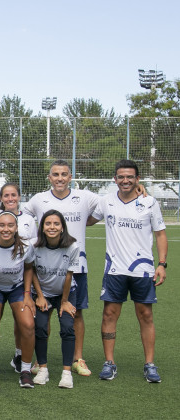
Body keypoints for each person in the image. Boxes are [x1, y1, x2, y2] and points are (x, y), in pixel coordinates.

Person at [87, 159, 167, 383]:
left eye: (130, 177)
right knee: (109, 315)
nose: (125, 180)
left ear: (137, 179)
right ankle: (109, 363)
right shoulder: (106, 202)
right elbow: (87, 220)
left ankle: (150, 364)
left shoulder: (149, 202)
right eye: (121, 177)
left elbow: (160, 234)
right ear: (115, 179)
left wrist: (162, 264)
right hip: (114, 269)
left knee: (146, 316)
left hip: (143, 270)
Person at [22, 159, 99, 377]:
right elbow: (21, 215)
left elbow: (106, 206)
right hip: (46, 267)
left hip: (76, 266)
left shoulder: (84, 197)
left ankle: (77, 358)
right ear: (49, 178)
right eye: (55, 174)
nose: (60, 178)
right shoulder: (39, 200)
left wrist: (85, 220)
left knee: (76, 313)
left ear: (70, 176)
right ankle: (41, 360)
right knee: (42, 315)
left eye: (64, 174)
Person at [0, 211, 36, 388]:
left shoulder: (26, 246)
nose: (6, 229)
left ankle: (25, 370)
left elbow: (28, 268)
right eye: (2, 225)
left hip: (17, 288)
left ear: (16, 227)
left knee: (28, 324)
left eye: (10, 225)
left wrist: (27, 294)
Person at [0, 182, 36, 373]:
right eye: (6, 195)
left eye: (13, 195)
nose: (10, 199)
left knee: (21, 319)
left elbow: (31, 248)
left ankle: (19, 355)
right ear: (1, 198)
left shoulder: (29, 220)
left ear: (19, 197)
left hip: (19, 277)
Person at [30, 210, 79, 388]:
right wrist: (41, 296)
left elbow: (68, 276)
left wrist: (64, 301)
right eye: (48, 223)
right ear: (42, 227)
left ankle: (66, 373)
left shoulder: (72, 247)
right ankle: (43, 369)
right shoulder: (34, 247)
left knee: (67, 327)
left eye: (56, 224)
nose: (52, 227)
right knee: (41, 327)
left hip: (65, 293)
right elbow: (32, 272)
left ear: (62, 227)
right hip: (42, 293)